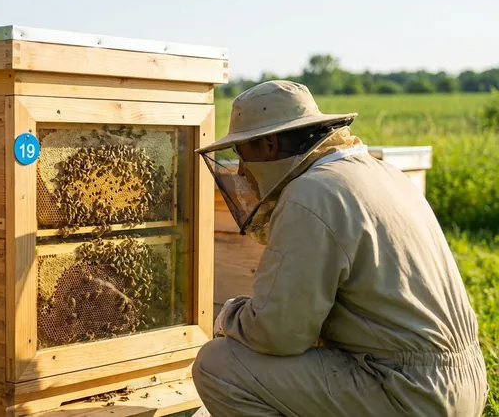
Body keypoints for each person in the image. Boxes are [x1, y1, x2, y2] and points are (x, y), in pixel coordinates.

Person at [191, 80, 488, 416]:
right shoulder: (383, 173)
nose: (242, 170)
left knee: (218, 366)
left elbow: (279, 334)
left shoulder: (311, 193)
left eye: (243, 154)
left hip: (407, 390)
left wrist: (229, 315)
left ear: (270, 145)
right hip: (463, 383)